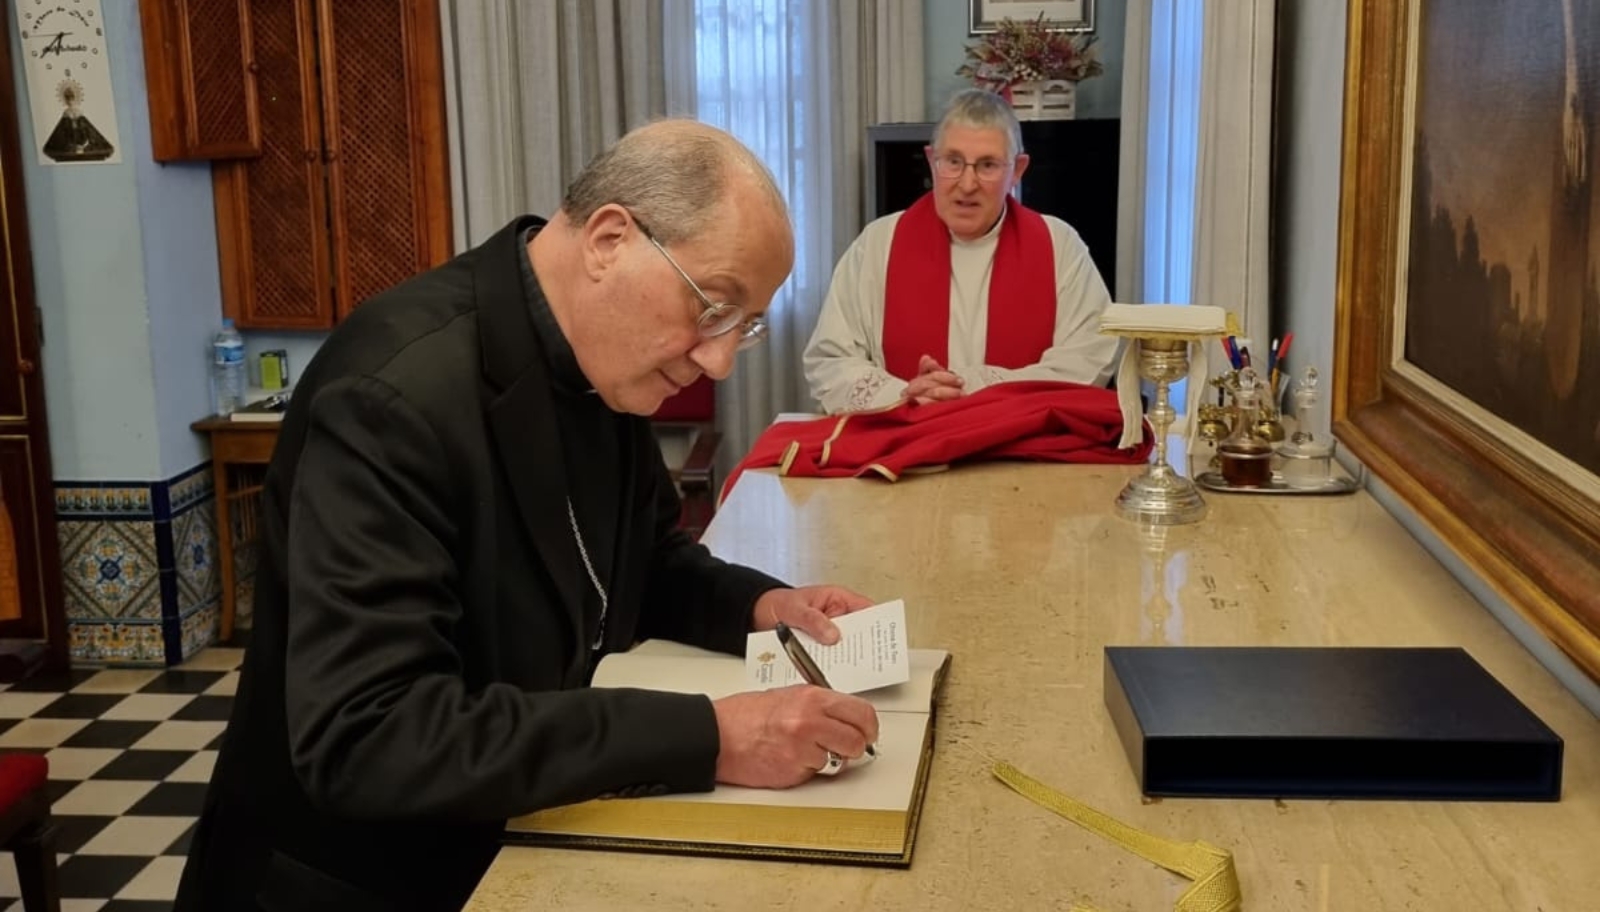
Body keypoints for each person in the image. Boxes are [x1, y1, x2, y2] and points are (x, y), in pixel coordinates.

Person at [175, 120, 881, 912]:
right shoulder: (389, 398)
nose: (717, 358)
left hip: (515, 830)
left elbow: (639, 563)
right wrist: (711, 737)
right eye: (713, 306)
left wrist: (759, 607)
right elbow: (371, 736)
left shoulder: (601, 357)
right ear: (610, 239)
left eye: (742, 326)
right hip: (356, 881)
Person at [803, 88, 1119, 414]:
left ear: (1018, 170)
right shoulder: (878, 244)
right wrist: (905, 394)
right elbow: (830, 360)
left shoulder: (1059, 245)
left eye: (987, 165)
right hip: (907, 445)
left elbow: (1089, 356)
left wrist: (974, 389)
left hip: (1019, 447)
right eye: (953, 162)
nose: (967, 184)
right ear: (931, 160)